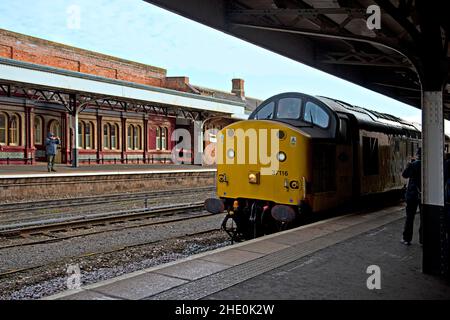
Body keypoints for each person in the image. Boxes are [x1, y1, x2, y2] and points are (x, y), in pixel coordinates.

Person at [401, 147, 422, 245]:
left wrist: (409, 164)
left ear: (418, 155)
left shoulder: (413, 164)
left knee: (410, 217)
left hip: (412, 195)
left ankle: (407, 239)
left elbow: (405, 175)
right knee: (423, 218)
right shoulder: (428, 165)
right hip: (423, 195)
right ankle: (422, 239)